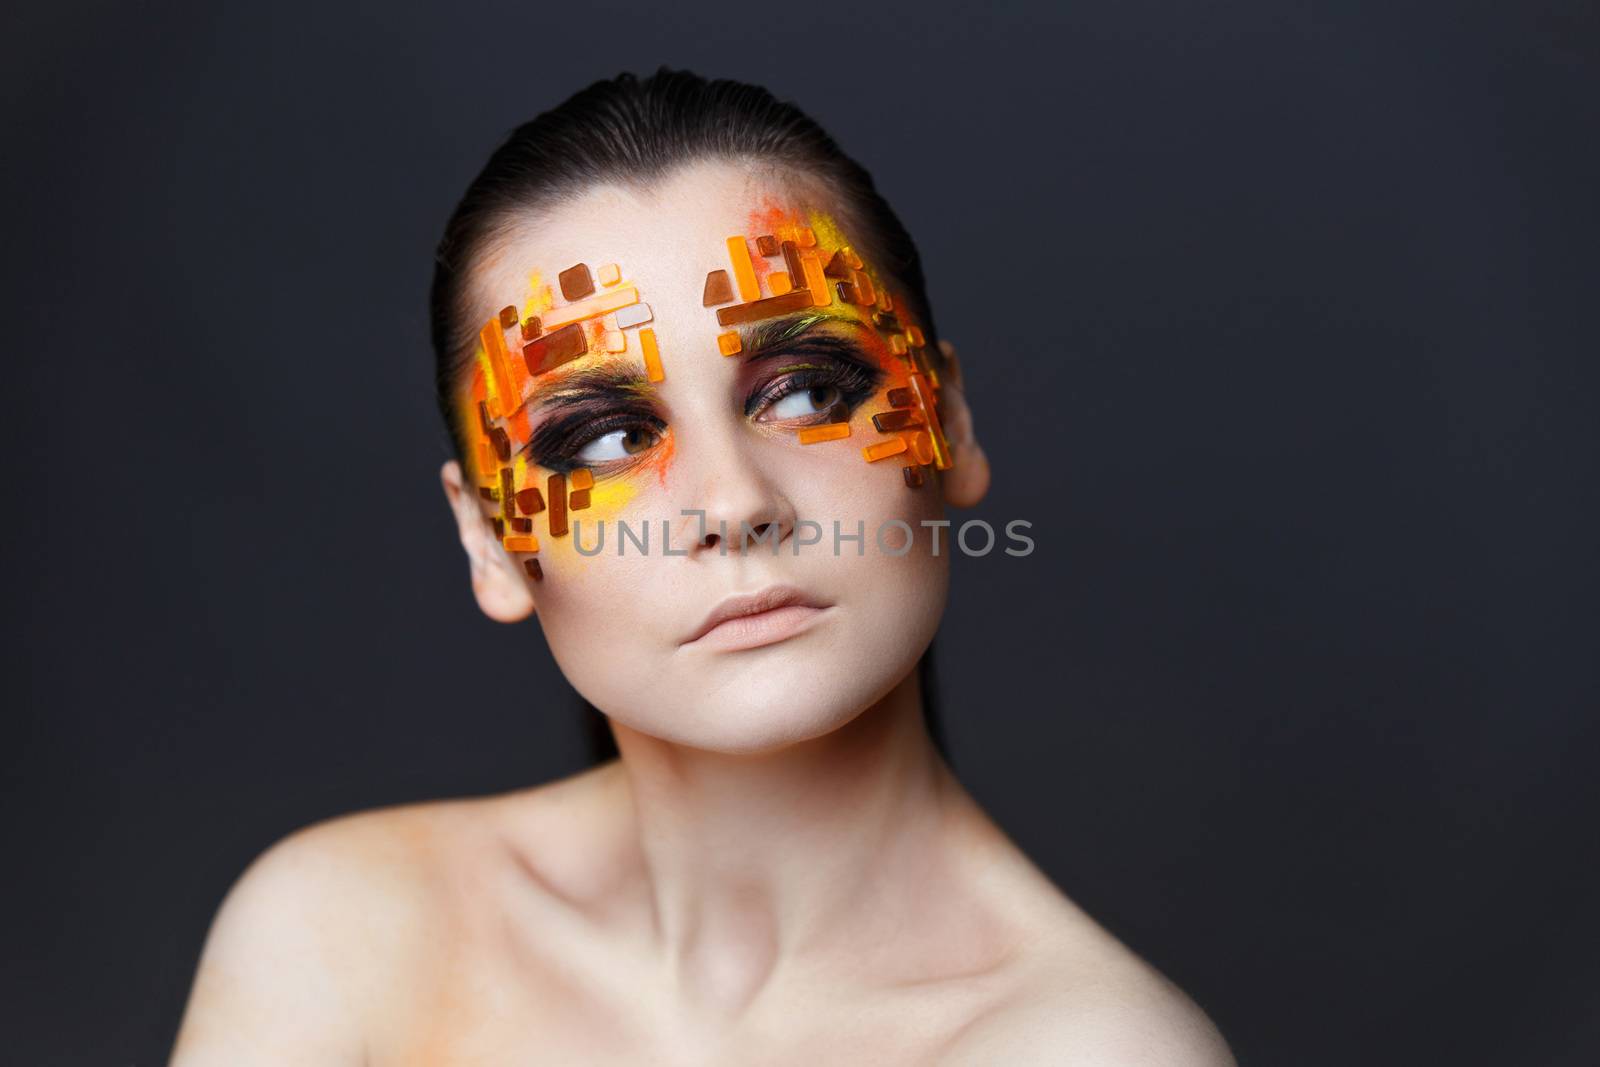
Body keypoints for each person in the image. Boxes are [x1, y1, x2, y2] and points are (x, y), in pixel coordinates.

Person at [169, 68, 1236, 1065]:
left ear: (945, 422)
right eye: (598, 439)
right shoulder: (342, 934)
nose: (733, 502)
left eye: (810, 389)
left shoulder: (1090, 1047)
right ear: (491, 539)